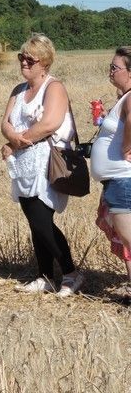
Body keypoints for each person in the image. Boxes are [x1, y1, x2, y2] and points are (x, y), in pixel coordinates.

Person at [0, 34, 83, 297]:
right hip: (24, 163)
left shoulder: (54, 87)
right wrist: (11, 137)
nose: (23, 62)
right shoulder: (18, 90)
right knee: (34, 220)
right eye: (21, 57)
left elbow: (50, 123)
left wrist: (15, 143)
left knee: (41, 220)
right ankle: (45, 276)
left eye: (29, 59)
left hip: (45, 162)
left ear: (44, 63)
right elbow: (5, 122)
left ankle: (71, 273)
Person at [90, 46, 131, 300]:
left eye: (115, 67)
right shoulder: (124, 97)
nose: (110, 71)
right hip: (117, 180)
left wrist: (127, 146)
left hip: (123, 180)